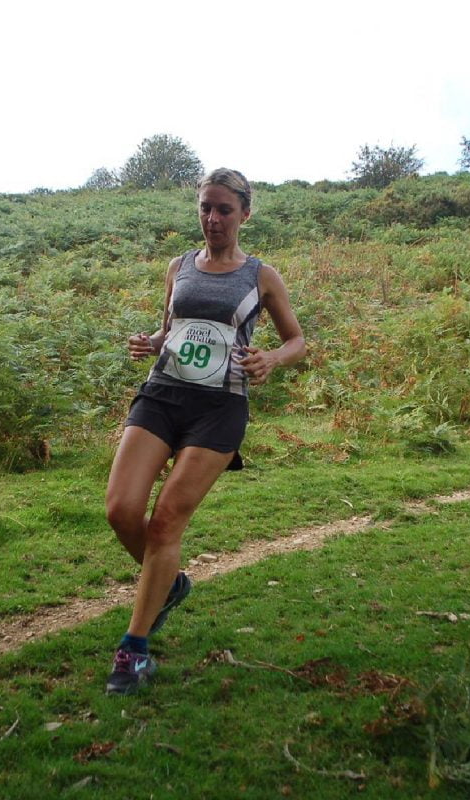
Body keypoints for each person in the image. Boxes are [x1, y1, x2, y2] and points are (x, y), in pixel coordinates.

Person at [103, 168, 306, 695]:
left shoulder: (262, 276)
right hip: (163, 393)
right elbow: (172, 328)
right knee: (121, 510)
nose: (212, 219)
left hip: (219, 407)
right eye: (205, 208)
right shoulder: (178, 267)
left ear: (244, 213)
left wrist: (273, 359)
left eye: (223, 210)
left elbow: (297, 340)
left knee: (167, 521)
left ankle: (135, 649)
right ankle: (169, 585)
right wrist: (151, 341)